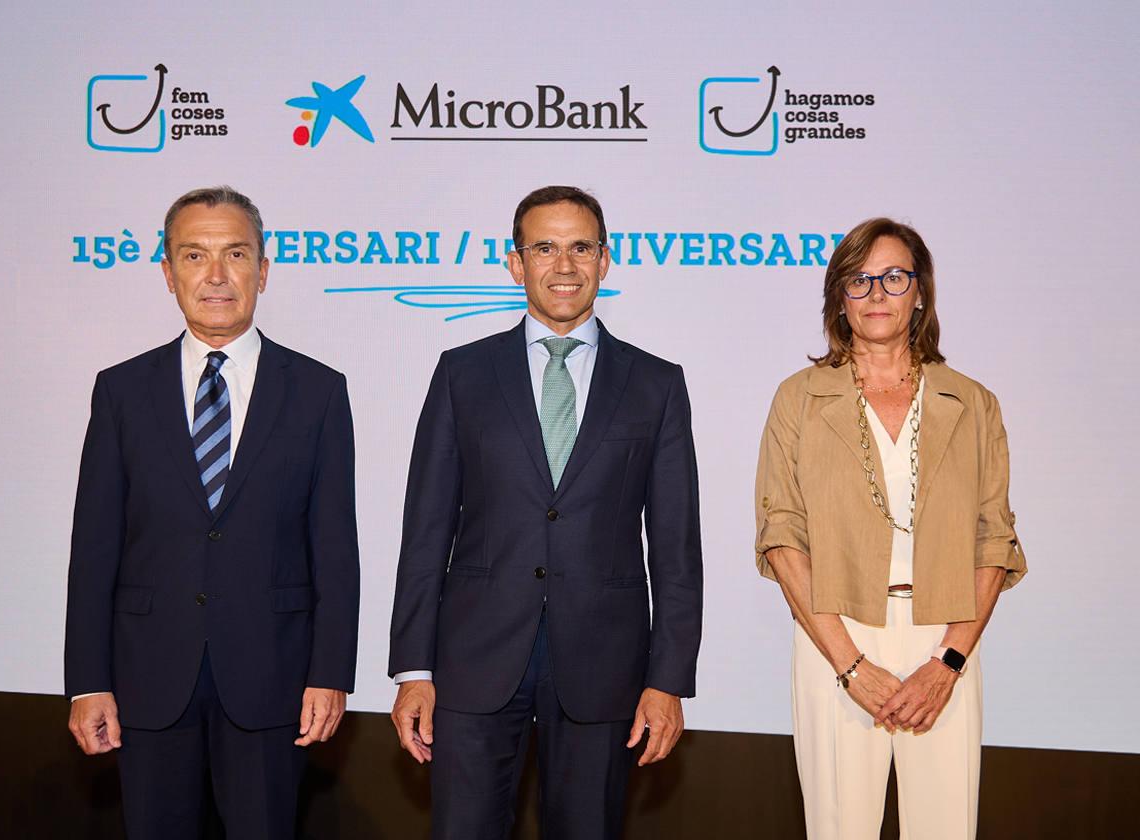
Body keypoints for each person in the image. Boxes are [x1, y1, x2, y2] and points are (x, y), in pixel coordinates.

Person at [388, 185, 703, 839]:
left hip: (605, 665)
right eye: (545, 247)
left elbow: (675, 550)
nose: (565, 265)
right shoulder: (461, 373)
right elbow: (425, 530)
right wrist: (414, 670)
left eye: (581, 247)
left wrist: (668, 679)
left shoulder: (656, 384)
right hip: (472, 662)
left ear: (606, 260)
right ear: (515, 263)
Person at [64, 186, 360, 840]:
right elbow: (94, 549)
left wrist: (330, 672)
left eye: (235, 254)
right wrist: (87, 681)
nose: (217, 275)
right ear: (169, 274)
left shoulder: (318, 391)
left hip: (274, 676)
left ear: (263, 268)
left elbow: (335, 549)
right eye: (195, 256)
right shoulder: (122, 391)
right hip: (147, 676)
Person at [754, 217, 1027, 839]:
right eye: (859, 279)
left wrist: (947, 661)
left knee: (945, 829)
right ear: (839, 299)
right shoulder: (797, 398)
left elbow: (995, 540)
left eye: (894, 277)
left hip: (946, 637)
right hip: (835, 635)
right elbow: (781, 536)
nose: (877, 293)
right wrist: (851, 665)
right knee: (839, 829)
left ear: (920, 292)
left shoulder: (973, 402)